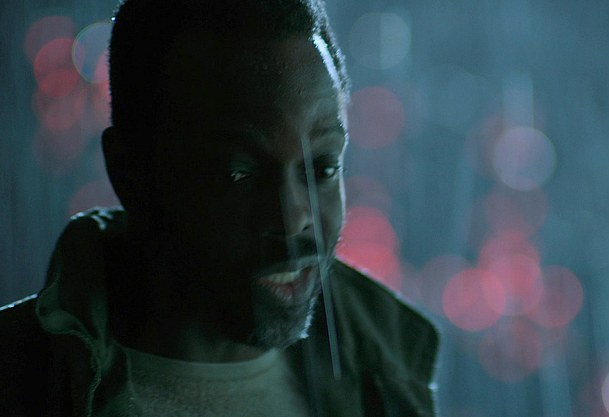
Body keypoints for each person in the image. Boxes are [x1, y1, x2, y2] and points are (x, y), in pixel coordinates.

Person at [0, 0, 439, 415]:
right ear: (130, 173)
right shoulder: (21, 383)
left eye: (323, 167)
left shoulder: (385, 377)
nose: (293, 219)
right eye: (239, 173)